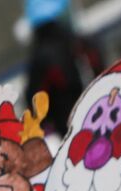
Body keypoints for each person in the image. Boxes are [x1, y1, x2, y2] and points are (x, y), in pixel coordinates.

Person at [23, 0, 102, 140]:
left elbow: (34, 102)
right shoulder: (77, 42)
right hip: (98, 112)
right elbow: (100, 67)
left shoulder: (39, 58)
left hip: (70, 131)